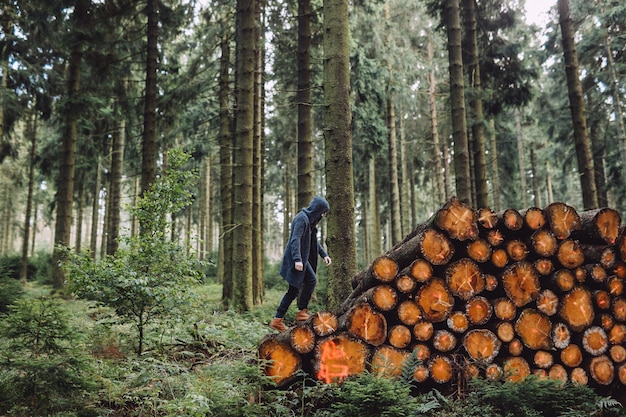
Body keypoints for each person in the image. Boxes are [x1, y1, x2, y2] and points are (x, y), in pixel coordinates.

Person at [270, 196, 332, 332]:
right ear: (316, 209)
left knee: (296, 290)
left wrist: (324, 255)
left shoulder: (309, 223)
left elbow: (313, 242)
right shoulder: (301, 219)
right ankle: (295, 314)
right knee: (305, 284)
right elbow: (295, 239)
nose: (322, 215)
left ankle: (282, 318)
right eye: (322, 212)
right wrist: (297, 259)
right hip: (295, 260)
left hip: (301, 261)